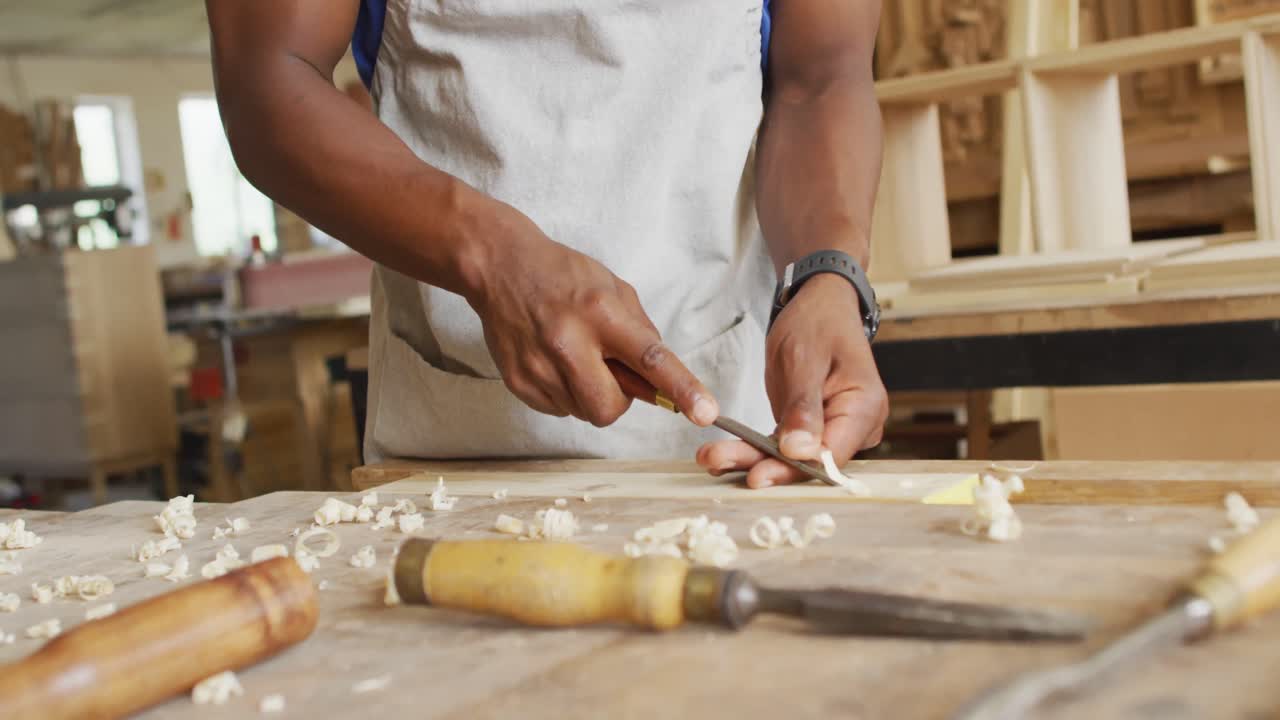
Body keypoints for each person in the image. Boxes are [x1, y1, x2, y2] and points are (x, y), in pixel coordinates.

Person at [206, 0, 888, 489]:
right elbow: (267, 80)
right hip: (461, 450)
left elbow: (822, 76)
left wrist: (826, 274)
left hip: (728, 430)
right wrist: (489, 256)